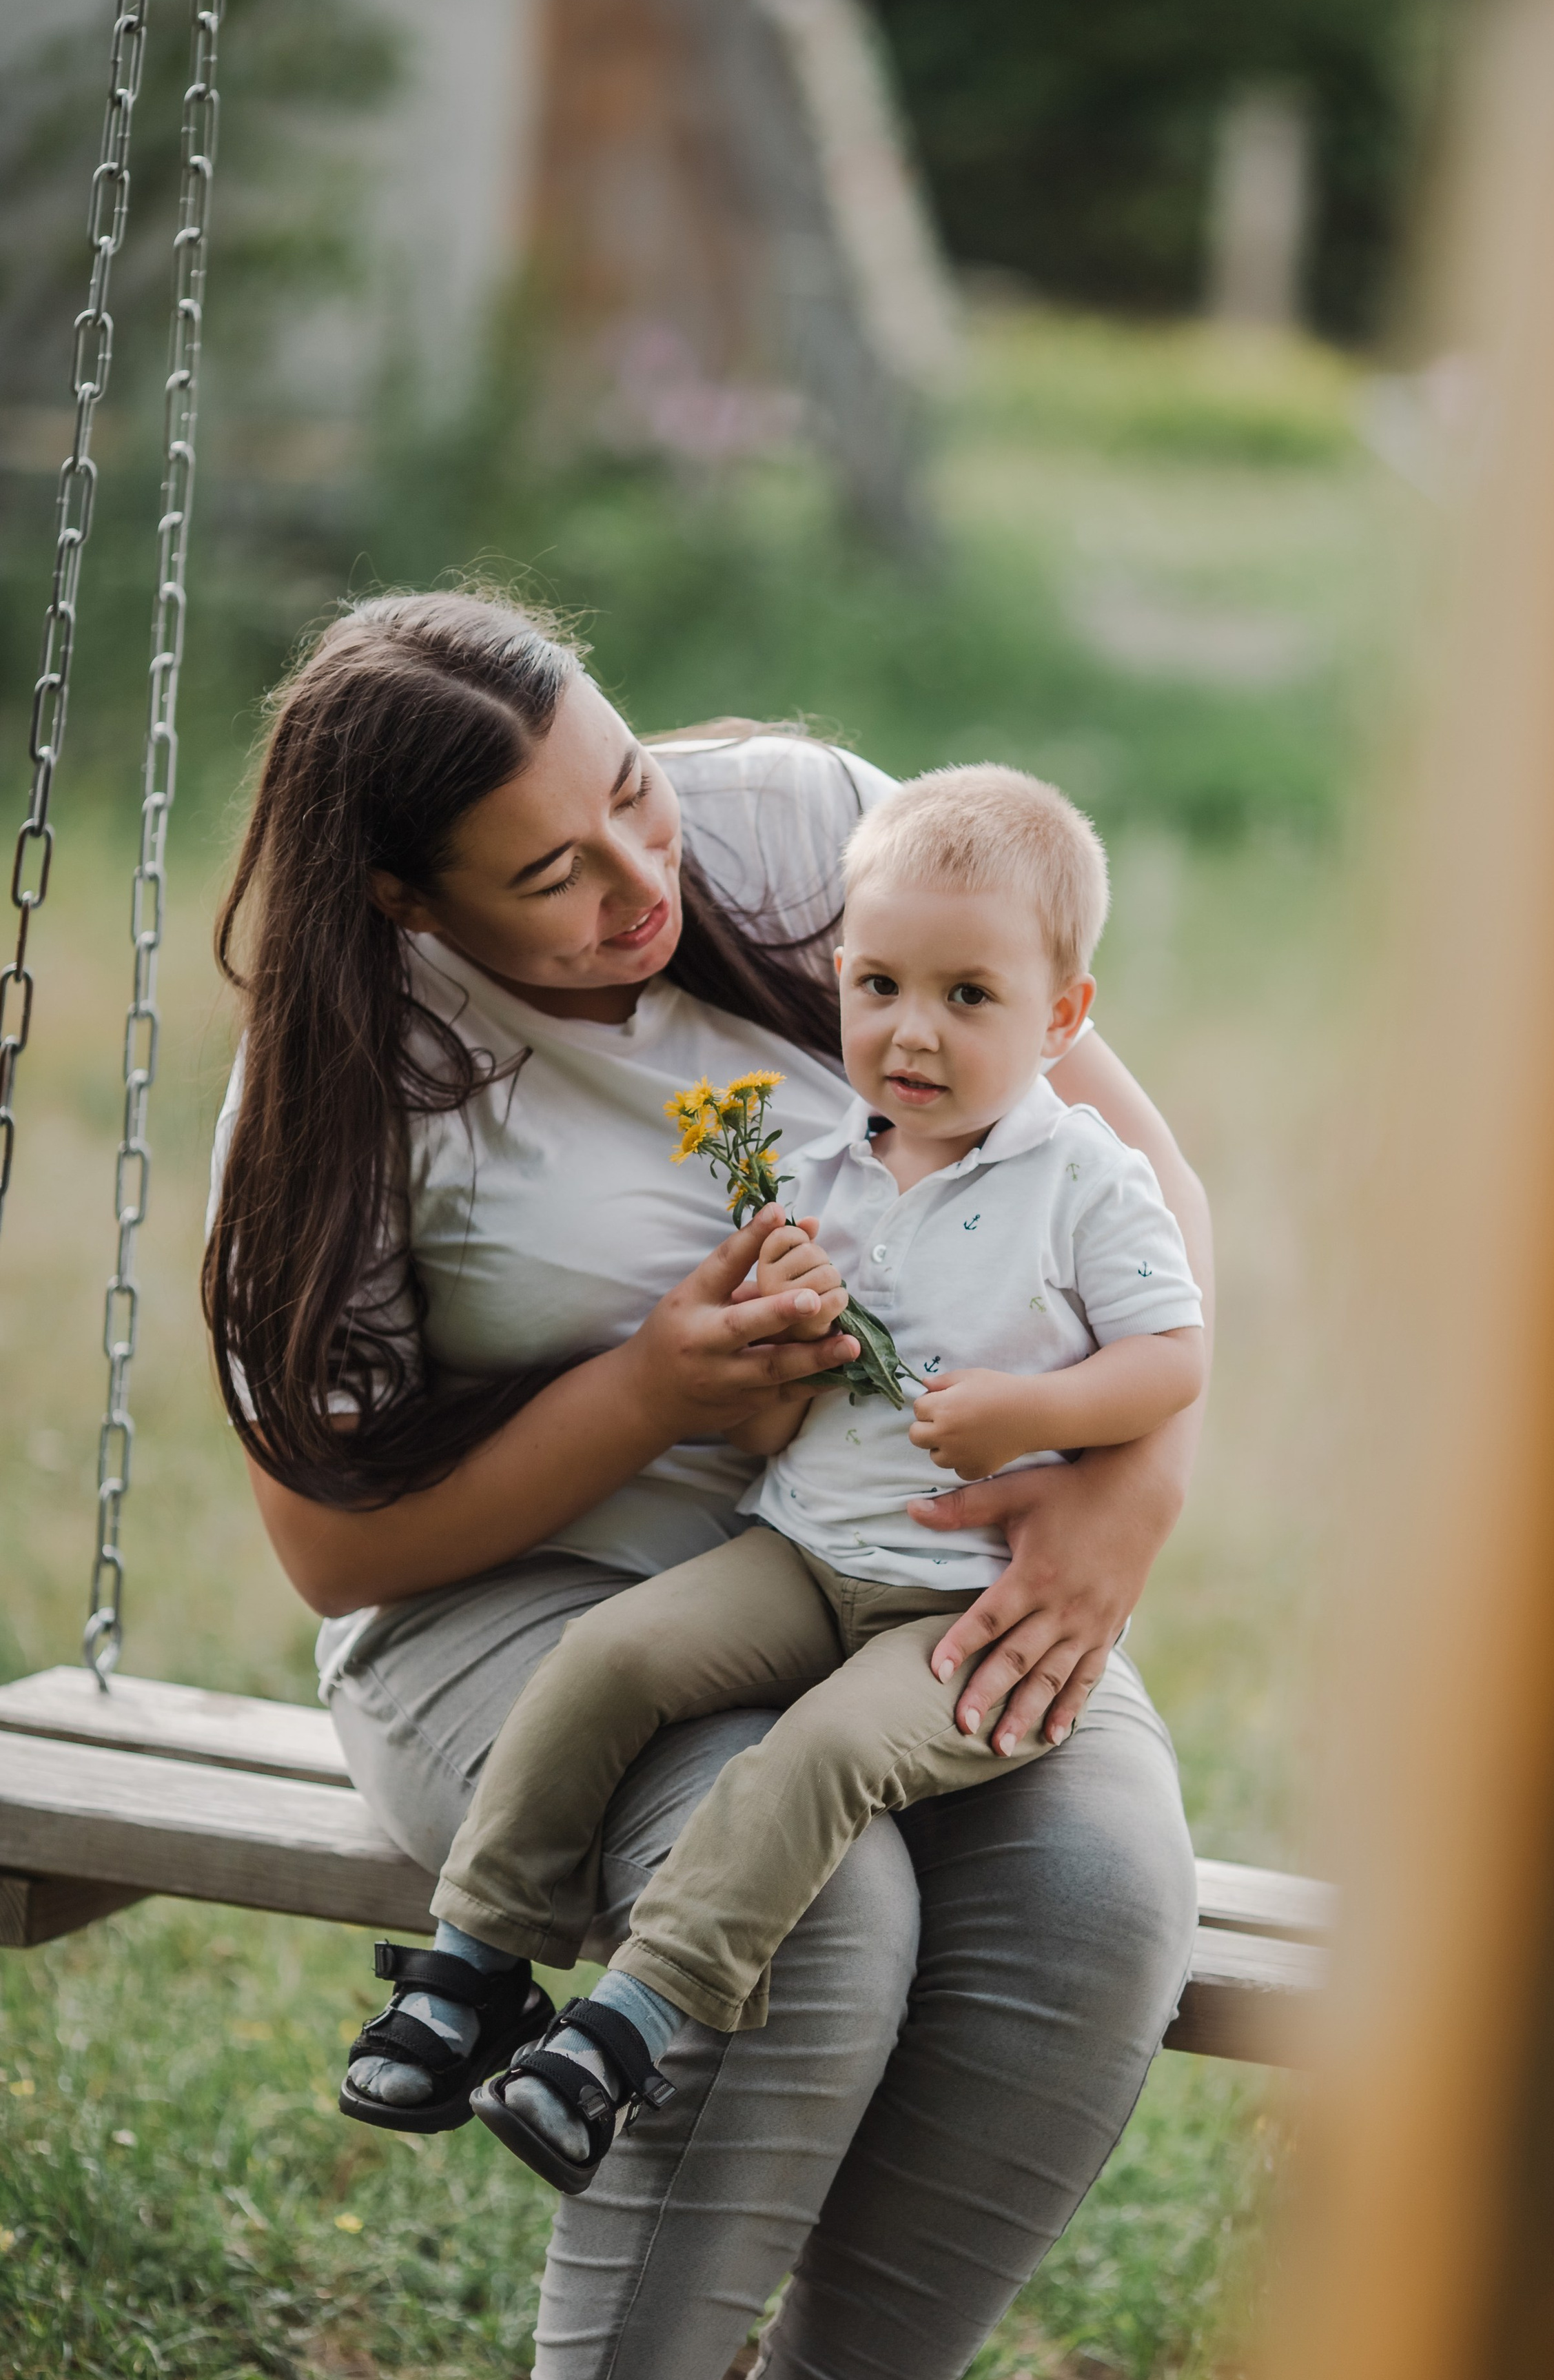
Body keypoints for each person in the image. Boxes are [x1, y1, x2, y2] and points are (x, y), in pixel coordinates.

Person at [207, 591, 1209, 2380]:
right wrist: (651, 1387)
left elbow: (1138, 1191)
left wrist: (1126, 1489)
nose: (639, 879)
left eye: (633, 795)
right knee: (816, 1916)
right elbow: (331, 1551)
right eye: (555, 875)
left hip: (894, 1552)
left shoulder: (801, 834)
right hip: (523, 1607)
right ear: (413, 904)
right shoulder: (345, 1075)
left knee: (1095, 1901)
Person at [360, 763, 1205, 2205]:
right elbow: (769, 1435)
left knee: (812, 1761)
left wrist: (1031, 1413)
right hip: (802, 1556)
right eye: (878, 986)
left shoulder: (1083, 1181)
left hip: (956, 1607)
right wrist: (779, 1368)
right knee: (610, 1655)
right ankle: (474, 1960)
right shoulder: (819, 1166)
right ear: (835, 985)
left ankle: (630, 2025)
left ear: (1062, 1017)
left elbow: (1168, 1360)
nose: (912, 1033)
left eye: (968, 998)